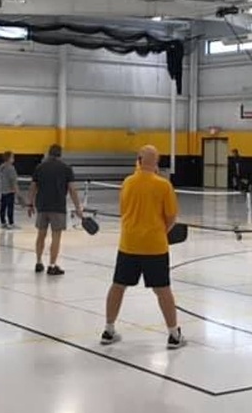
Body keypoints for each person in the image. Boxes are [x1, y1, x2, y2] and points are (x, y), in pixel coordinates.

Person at [100, 145, 185, 349]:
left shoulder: (128, 183)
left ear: (138, 160)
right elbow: (171, 217)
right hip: (155, 246)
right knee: (163, 290)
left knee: (118, 286)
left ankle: (109, 330)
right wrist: (159, 232)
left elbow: (124, 211)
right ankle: (174, 334)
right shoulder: (163, 185)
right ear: (156, 162)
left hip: (129, 244)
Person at [27, 144, 85, 275]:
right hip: (58, 207)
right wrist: (78, 208)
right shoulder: (66, 168)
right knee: (56, 237)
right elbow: (72, 189)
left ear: (49, 153)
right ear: (60, 154)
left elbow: (32, 187)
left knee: (41, 235)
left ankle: (38, 262)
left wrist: (30, 204)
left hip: (42, 206)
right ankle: (52, 265)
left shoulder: (40, 167)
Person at [0, 150, 20, 229]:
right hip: (10, 191)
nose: (13, 159)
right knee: (10, 207)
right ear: (9, 158)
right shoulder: (11, 168)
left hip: (3, 191)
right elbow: (13, 181)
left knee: (2, 207)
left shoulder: (1, 167)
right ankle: (11, 223)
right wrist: (17, 192)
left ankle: (3, 222)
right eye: (12, 157)